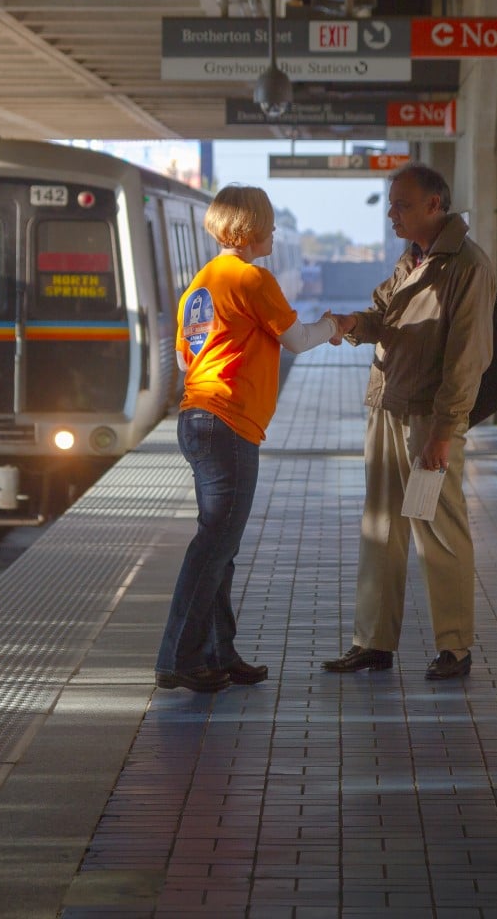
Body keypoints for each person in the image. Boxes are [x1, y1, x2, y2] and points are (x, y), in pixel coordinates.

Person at [156, 185, 341, 693]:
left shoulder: (201, 284)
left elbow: (183, 359)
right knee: (214, 542)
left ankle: (217, 652)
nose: (276, 233)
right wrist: (335, 324)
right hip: (228, 423)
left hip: (197, 417)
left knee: (221, 544)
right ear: (252, 228)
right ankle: (178, 657)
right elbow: (298, 340)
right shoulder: (252, 279)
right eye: (270, 223)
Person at [323, 163, 496, 681]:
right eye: (392, 203)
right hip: (387, 405)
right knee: (382, 526)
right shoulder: (414, 258)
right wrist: (355, 325)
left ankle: (455, 647)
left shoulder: (465, 265)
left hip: (427, 419)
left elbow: (467, 357)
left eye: (402, 204)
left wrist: (446, 431)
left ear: (434, 206)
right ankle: (373, 641)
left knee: (438, 528)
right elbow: (384, 315)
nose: (392, 213)